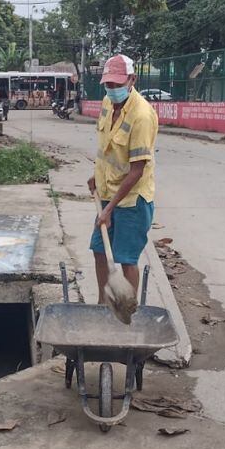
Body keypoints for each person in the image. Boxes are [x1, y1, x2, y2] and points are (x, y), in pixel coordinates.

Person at [86, 54, 158, 304]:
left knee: (127, 259)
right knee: (98, 250)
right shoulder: (107, 103)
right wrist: (96, 175)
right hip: (107, 193)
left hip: (131, 201)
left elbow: (137, 170)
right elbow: (107, 148)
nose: (113, 89)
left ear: (131, 80)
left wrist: (109, 208)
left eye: (117, 84)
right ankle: (102, 305)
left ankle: (128, 309)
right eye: (109, 85)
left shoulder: (142, 115)